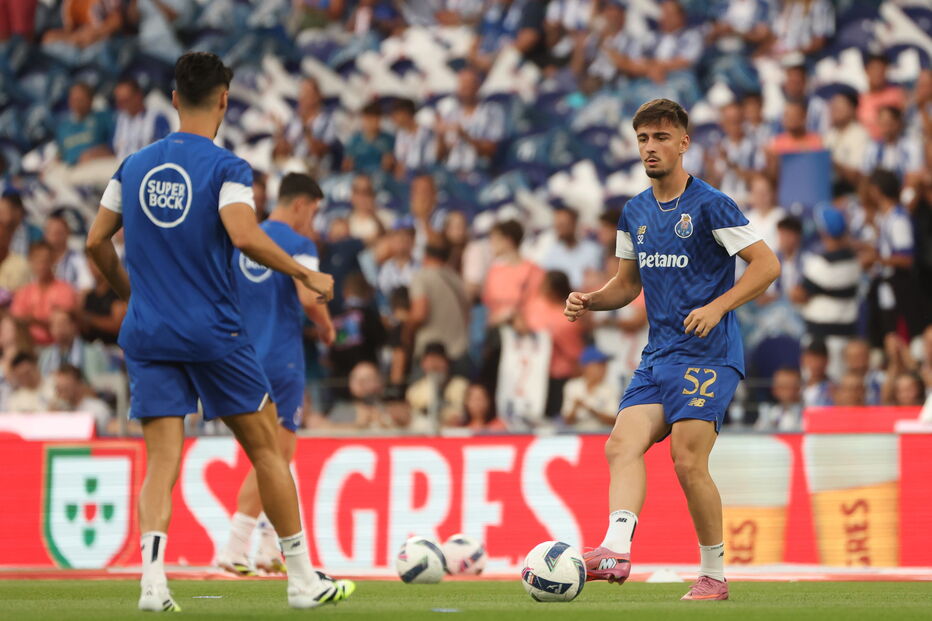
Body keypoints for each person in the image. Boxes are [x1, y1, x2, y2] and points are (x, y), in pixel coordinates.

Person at [84, 52, 351, 611]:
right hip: (214, 334)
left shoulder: (131, 166)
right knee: (268, 451)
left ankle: (152, 583)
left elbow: (94, 243)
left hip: (149, 333)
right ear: (224, 100)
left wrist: (131, 295)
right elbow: (245, 235)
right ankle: (302, 581)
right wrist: (306, 272)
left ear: (175, 99)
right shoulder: (228, 169)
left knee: (161, 461)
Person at [563, 99, 780, 600]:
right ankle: (616, 548)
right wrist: (591, 300)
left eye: (661, 138)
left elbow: (767, 265)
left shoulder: (711, 204)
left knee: (687, 460)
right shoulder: (634, 211)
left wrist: (718, 307)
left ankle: (714, 576)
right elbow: (626, 285)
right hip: (659, 354)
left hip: (708, 353)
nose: (650, 147)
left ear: (684, 143)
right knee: (620, 444)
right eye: (643, 139)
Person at [216, 172, 336, 577]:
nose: (312, 222)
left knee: (269, 455)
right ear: (300, 204)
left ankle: (268, 547)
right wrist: (326, 325)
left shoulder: (244, 236)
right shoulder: (299, 245)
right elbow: (308, 295)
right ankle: (234, 545)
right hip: (281, 357)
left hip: (241, 357)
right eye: (313, 212)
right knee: (276, 456)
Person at [407, 239, 470, 370]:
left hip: (430, 355)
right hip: (459, 351)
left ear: (425, 256)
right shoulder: (457, 279)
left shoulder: (422, 277)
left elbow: (419, 314)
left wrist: (406, 330)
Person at [11, 242, 79, 346]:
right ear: (30, 262)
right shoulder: (24, 292)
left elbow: (64, 324)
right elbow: (17, 321)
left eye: (45, 260)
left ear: (53, 260)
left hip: (58, 346)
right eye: (37, 260)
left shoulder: (65, 290)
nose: (41, 265)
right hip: (29, 346)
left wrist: (34, 321)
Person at [406, 341, 469, 432]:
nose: (434, 365)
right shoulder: (414, 390)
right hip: (423, 436)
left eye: (439, 360)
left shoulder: (461, 385)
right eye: (431, 360)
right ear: (423, 364)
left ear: (447, 363)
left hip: (454, 434)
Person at [561, 345, 620, 431]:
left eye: (605, 365)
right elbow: (567, 421)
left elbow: (614, 420)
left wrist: (591, 409)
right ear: (586, 367)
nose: (604, 369)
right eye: (599, 365)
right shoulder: (572, 386)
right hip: (576, 433)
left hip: (602, 435)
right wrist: (575, 407)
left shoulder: (610, 388)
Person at [113, 77, 172, 161]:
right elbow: (111, 148)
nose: (122, 106)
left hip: (147, 165)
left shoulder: (156, 118)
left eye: (125, 100)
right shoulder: (118, 120)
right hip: (121, 166)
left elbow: (164, 149)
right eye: (119, 102)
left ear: (138, 96)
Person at [50, 363, 113, 433]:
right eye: (58, 389)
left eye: (65, 388)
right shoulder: (59, 410)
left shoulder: (97, 409)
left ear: (78, 384)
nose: (61, 394)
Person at [44, 213, 94, 291]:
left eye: (59, 233)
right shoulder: (40, 260)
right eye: (51, 233)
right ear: (45, 235)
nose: (55, 237)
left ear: (68, 233)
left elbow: (87, 286)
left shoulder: (78, 259)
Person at [343, 101, 395, 174]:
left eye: (374, 119)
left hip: (379, 176)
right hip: (357, 176)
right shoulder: (354, 140)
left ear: (379, 120)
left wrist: (388, 163)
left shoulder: (389, 139)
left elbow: (388, 165)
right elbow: (347, 164)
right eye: (367, 119)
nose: (370, 123)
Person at [754, 367, 803, 431]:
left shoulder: (806, 413)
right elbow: (757, 434)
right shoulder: (771, 412)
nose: (778, 389)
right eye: (778, 386)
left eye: (785, 386)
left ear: (798, 388)